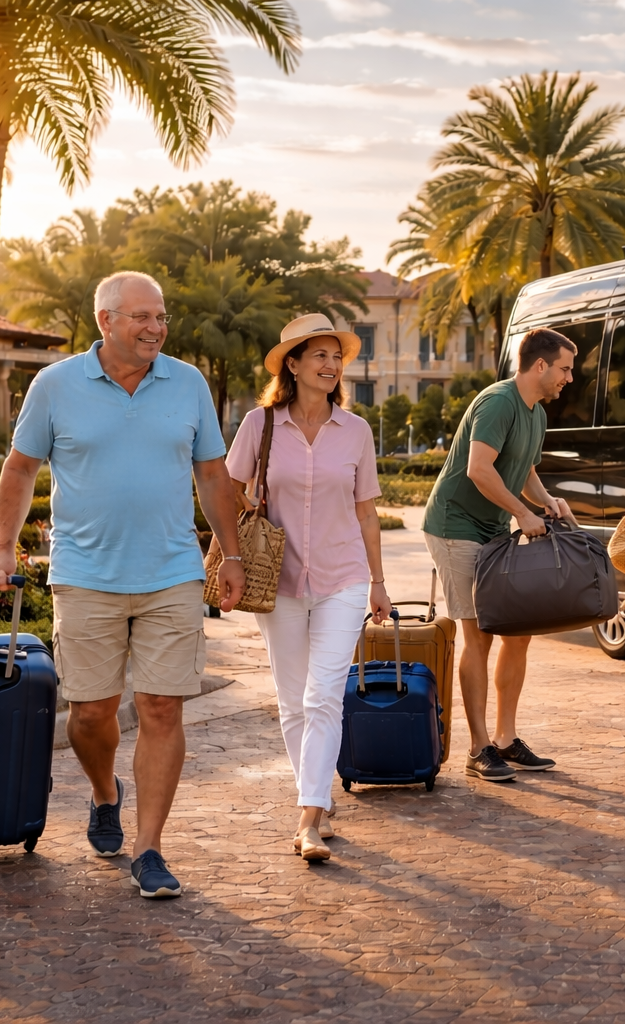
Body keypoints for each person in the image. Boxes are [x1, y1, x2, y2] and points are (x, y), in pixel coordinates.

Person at [0, 270, 246, 899]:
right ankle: (106, 792)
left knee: (160, 707)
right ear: (106, 320)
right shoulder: (55, 386)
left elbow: (211, 474)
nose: (156, 328)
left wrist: (230, 554)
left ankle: (149, 849)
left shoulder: (187, 383)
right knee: (92, 713)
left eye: (161, 317)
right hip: (86, 575)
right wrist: (4, 547)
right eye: (142, 317)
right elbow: (20, 469)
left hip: (172, 573)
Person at [227, 314, 392, 862]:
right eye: (318, 355)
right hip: (277, 579)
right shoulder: (260, 424)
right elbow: (226, 492)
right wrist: (246, 510)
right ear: (292, 365)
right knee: (292, 701)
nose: (331, 365)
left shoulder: (357, 431)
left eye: (336, 356)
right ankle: (316, 791)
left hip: (342, 577)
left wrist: (379, 584)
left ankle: (309, 819)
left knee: (324, 695)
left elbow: (367, 513)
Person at [421, 328, 576, 782]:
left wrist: (546, 502)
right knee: (478, 635)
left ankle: (506, 740)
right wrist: (523, 514)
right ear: (541, 365)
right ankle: (478, 747)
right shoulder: (499, 401)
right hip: (455, 526)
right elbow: (478, 469)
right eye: (565, 368)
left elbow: (523, 466)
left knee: (518, 631)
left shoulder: (537, 413)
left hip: (491, 528)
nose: (569, 378)